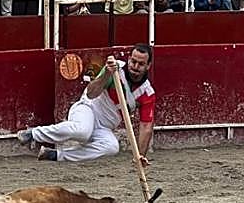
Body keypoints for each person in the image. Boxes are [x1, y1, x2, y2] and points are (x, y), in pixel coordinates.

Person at [17, 46, 156, 164]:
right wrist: (107, 74)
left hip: (105, 126)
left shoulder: (147, 93)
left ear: (148, 66)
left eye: (141, 64)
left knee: (112, 147)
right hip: (87, 108)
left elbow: (146, 127)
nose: (135, 67)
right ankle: (33, 134)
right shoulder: (115, 69)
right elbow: (91, 93)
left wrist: (140, 156)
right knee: (83, 131)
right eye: (133, 61)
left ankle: (56, 155)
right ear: (129, 59)